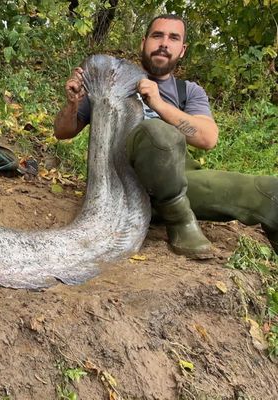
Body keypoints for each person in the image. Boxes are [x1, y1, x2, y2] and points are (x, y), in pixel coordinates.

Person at [54, 14, 278, 258]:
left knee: (271, 191)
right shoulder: (109, 83)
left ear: (182, 50)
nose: (164, 43)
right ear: (144, 42)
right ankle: (179, 220)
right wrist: (73, 104)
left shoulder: (188, 91)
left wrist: (159, 104)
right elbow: (62, 131)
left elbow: (207, 139)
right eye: (157, 35)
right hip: (124, 183)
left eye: (173, 38)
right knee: (156, 132)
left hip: (179, 178)